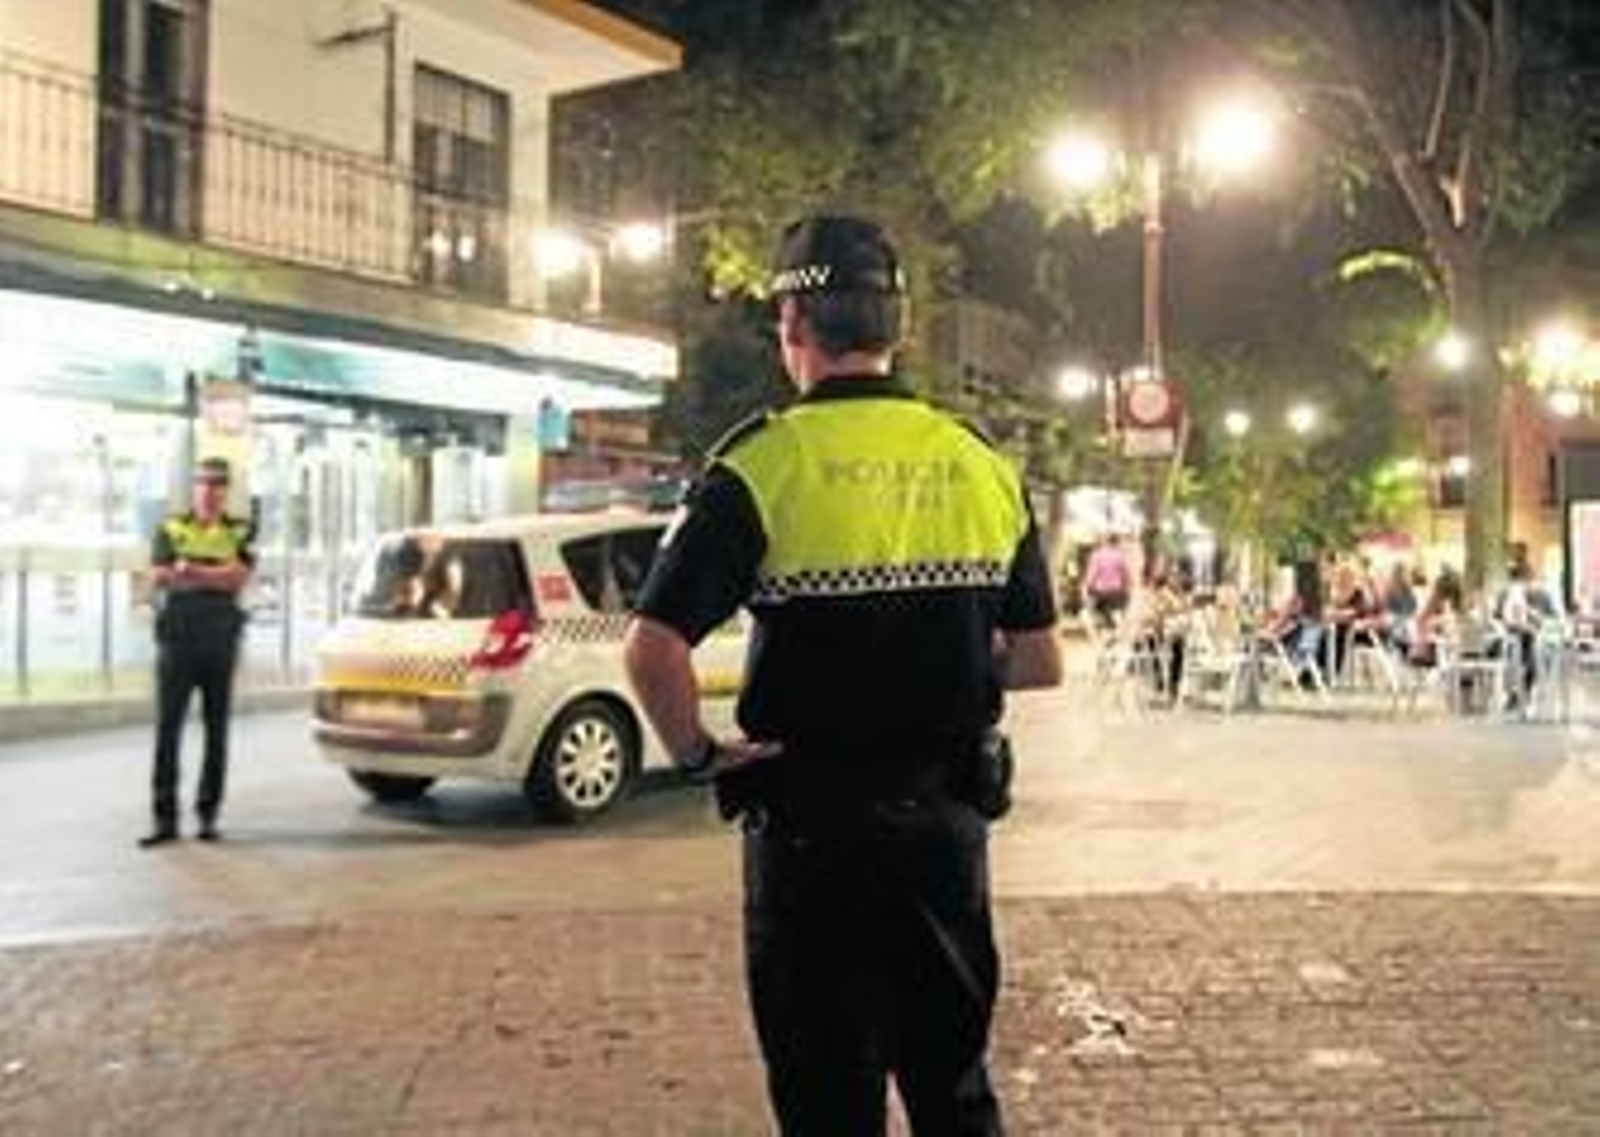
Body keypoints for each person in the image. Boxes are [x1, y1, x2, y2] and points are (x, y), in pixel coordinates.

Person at [622, 213, 1063, 1135]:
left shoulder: (761, 466)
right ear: (895, 328)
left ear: (792, 326)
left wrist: (703, 754)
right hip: (945, 828)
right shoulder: (979, 463)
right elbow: (1036, 658)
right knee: (952, 1085)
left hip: (810, 835)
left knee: (827, 1095)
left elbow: (653, 646)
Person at [140, 456, 255, 847]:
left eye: (217, 484)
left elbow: (238, 577)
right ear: (194, 488)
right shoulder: (171, 528)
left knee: (216, 728)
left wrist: (191, 570)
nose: (209, 491)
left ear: (226, 491)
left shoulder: (240, 530)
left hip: (220, 641)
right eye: (203, 483)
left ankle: (208, 816)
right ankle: (164, 820)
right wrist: (214, 573)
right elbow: (158, 576)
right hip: (177, 639)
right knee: (167, 729)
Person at [1081, 533, 1132, 630]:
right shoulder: (1120, 556)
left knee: (1087, 613)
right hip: (1115, 590)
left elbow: (1091, 574)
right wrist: (1126, 588)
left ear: (1107, 541)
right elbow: (1126, 575)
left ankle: (1096, 636)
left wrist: (1085, 588)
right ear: (1117, 543)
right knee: (1116, 613)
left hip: (1099, 591)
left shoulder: (1096, 555)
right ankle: (1117, 632)